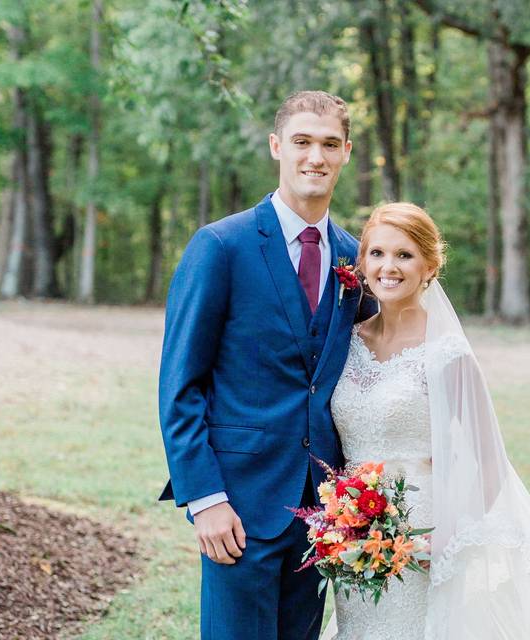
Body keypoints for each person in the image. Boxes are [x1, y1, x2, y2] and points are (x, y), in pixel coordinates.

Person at [324, 202, 530, 639]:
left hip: (419, 533)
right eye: (378, 253)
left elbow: (490, 466)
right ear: (363, 262)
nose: (389, 267)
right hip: (350, 530)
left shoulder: (447, 353)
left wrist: (444, 543)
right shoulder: (345, 342)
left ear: (429, 266)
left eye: (404, 255)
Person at [157, 90, 377, 640]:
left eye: (329, 145)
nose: (315, 157)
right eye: (302, 142)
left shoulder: (356, 258)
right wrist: (205, 500)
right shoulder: (220, 246)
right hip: (238, 509)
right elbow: (180, 385)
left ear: (346, 152)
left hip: (325, 515)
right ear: (277, 146)